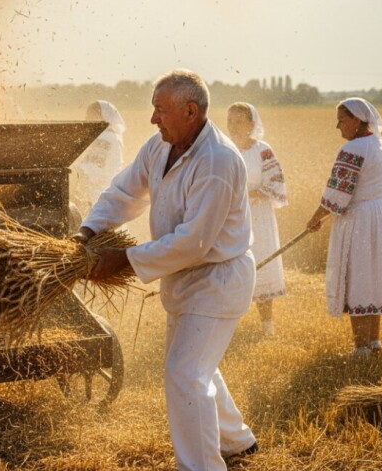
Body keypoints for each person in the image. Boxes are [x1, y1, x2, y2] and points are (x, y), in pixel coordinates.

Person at [72, 70, 257, 470]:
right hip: (186, 276)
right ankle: (238, 440)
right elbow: (124, 192)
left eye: (160, 110)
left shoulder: (218, 161)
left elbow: (194, 242)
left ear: (190, 111)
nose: (153, 119)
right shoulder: (159, 147)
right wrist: (86, 232)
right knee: (194, 362)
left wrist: (122, 259)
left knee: (185, 372)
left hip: (218, 278)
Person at [306, 97, 382, 357]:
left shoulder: (353, 149)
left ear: (356, 120)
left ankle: (361, 348)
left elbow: (338, 192)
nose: (337, 127)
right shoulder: (380, 144)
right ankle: (374, 342)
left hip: (362, 221)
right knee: (374, 278)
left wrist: (315, 218)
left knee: (358, 278)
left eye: (341, 120)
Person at [226, 102, 287, 336]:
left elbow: (276, 182)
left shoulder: (263, 150)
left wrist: (251, 193)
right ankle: (228, 325)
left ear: (251, 124)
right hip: (231, 216)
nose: (232, 126)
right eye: (230, 121)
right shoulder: (224, 149)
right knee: (230, 266)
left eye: (239, 121)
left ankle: (267, 326)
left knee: (262, 262)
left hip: (258, 217)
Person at [70, 100, 126, 217]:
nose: (87, 118)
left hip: (98, 193)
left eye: (91, 115)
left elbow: (95, 168)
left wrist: (72, 170)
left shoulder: (106, 139)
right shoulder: (107, 136)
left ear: (103, 116)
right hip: (104, 191)